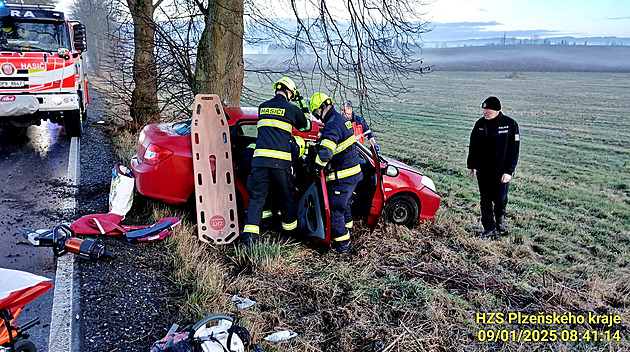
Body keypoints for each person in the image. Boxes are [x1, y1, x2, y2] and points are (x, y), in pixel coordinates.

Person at [241, 77, 311, 245]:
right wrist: (302, 104)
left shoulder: (262, 107)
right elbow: (306, 126)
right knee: (286, 197)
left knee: (257, 198)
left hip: (259, 163)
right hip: (280, 163)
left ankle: (249, 239)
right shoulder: (292, 109)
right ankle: (290, 235)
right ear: (290, 93)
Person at [311, 93, 363, 254]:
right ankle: (349, 233)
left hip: (342, 177)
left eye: (315, 113)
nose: (317, 117)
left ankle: (343, 246)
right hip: (352, 174)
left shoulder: (332, 125)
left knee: (335, 211)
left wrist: (316, 167)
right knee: (344, 206)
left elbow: (326, 152)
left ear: (321, 109)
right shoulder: (342, 120)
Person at [467, 96, 520, 238]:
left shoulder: (510, 125)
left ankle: (500, 220)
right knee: (485, 200)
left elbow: (514, 150)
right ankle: (489, 228)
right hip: (483, 171)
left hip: (501, 171)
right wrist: (470, 166)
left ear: (496, 110)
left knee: (500, 198)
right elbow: (473, 146)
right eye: (483, 109)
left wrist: (509, 171)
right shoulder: (479, 124)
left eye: (487, 109)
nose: (484, 112)